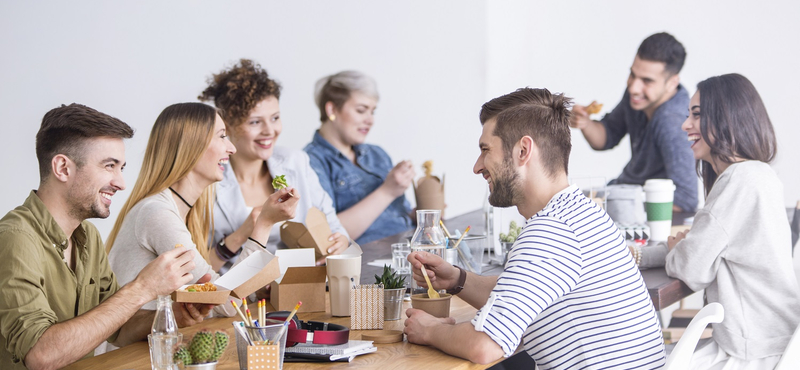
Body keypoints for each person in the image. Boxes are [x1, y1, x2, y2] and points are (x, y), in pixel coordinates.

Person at [403, 88, 666, 368]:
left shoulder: (551, 232)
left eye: (485, 150)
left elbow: (485, 346)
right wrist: (457, 280)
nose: (477, 167)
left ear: (523, 150)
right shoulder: (582, 212)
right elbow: (522, 288)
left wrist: (429, 330)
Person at [0, 104, 210, 370]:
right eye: (109, 166)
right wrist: (143, 287)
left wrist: (172, 315)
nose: (121, 182)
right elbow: (41, 356)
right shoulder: (15, 239)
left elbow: (118, 329)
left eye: (121, 167)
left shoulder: (87, 236)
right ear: (63, 168)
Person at [106, 103, 297, 314]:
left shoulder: (180, 211)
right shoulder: (157, 213)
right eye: (222, 136)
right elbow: (225, 303)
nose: (231, 148)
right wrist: (264, 224)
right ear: (191, 145)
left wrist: (253, 292)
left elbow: (210, 295)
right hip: (137, 347)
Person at [664, 73, 800, 369]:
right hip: (777, 341)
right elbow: (698, 248)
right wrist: (655, 251)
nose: (685, 125)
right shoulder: (760, 175)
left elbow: (692, 268)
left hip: (752, 353)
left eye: (697, 115)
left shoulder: (738, 181)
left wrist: (678, 250)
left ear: (727, 118)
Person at [198, 59, 348, 268]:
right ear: (228, 125)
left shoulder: (296, 162)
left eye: (275, 118)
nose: (270, 131)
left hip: (300, 289)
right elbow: (197, 271)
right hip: (239, 297)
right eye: (255, 122)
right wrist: (241, 234)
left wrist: (340, 243)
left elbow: (336, 229)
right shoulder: (207, 181)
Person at [570, 32, 697, 212]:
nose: (634, 87)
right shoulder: (637, 98)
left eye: (647, 81)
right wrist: (586, 123)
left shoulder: (672, 121)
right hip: (618, 192)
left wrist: (618, 207)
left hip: (632, 209)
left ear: (672, 82)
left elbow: (686, 199)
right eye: (632, 74)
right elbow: (607, 136)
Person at [304, 70, 414, 245]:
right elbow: (325, 236)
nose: (370, 120)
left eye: (373, 111)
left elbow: (402, 213)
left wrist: (425, 212)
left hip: (410, 248)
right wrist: (387, 191)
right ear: (331, 109)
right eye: (361, 110)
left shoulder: (377, 154)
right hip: (370, 262)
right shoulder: (310, 162)